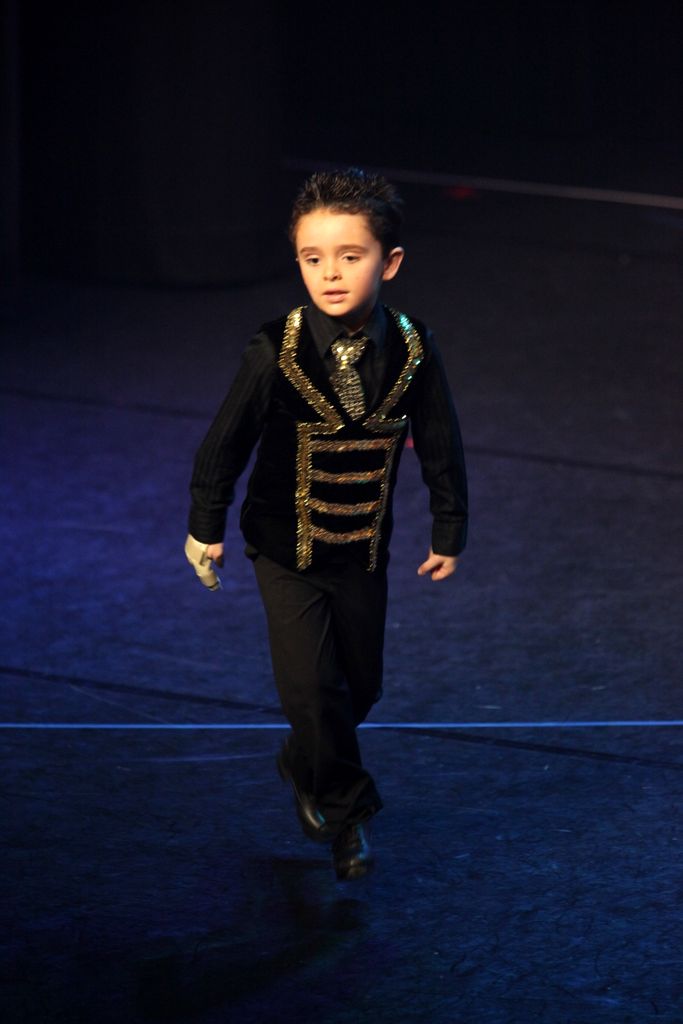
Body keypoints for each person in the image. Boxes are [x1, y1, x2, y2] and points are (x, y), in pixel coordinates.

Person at [185, 168, 467, 881]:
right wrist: (204, 524)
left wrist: (448, 527)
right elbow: (225, 442)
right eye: (313, 258)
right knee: (312, 689)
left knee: (357, 689)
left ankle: (303, 756)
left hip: (362, 551)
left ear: (388, 263)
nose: (331, 273)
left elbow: (441, 441)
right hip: (284, 549)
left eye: (350, 255)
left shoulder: (413, 347)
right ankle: (350, 817)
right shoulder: (275, 348)